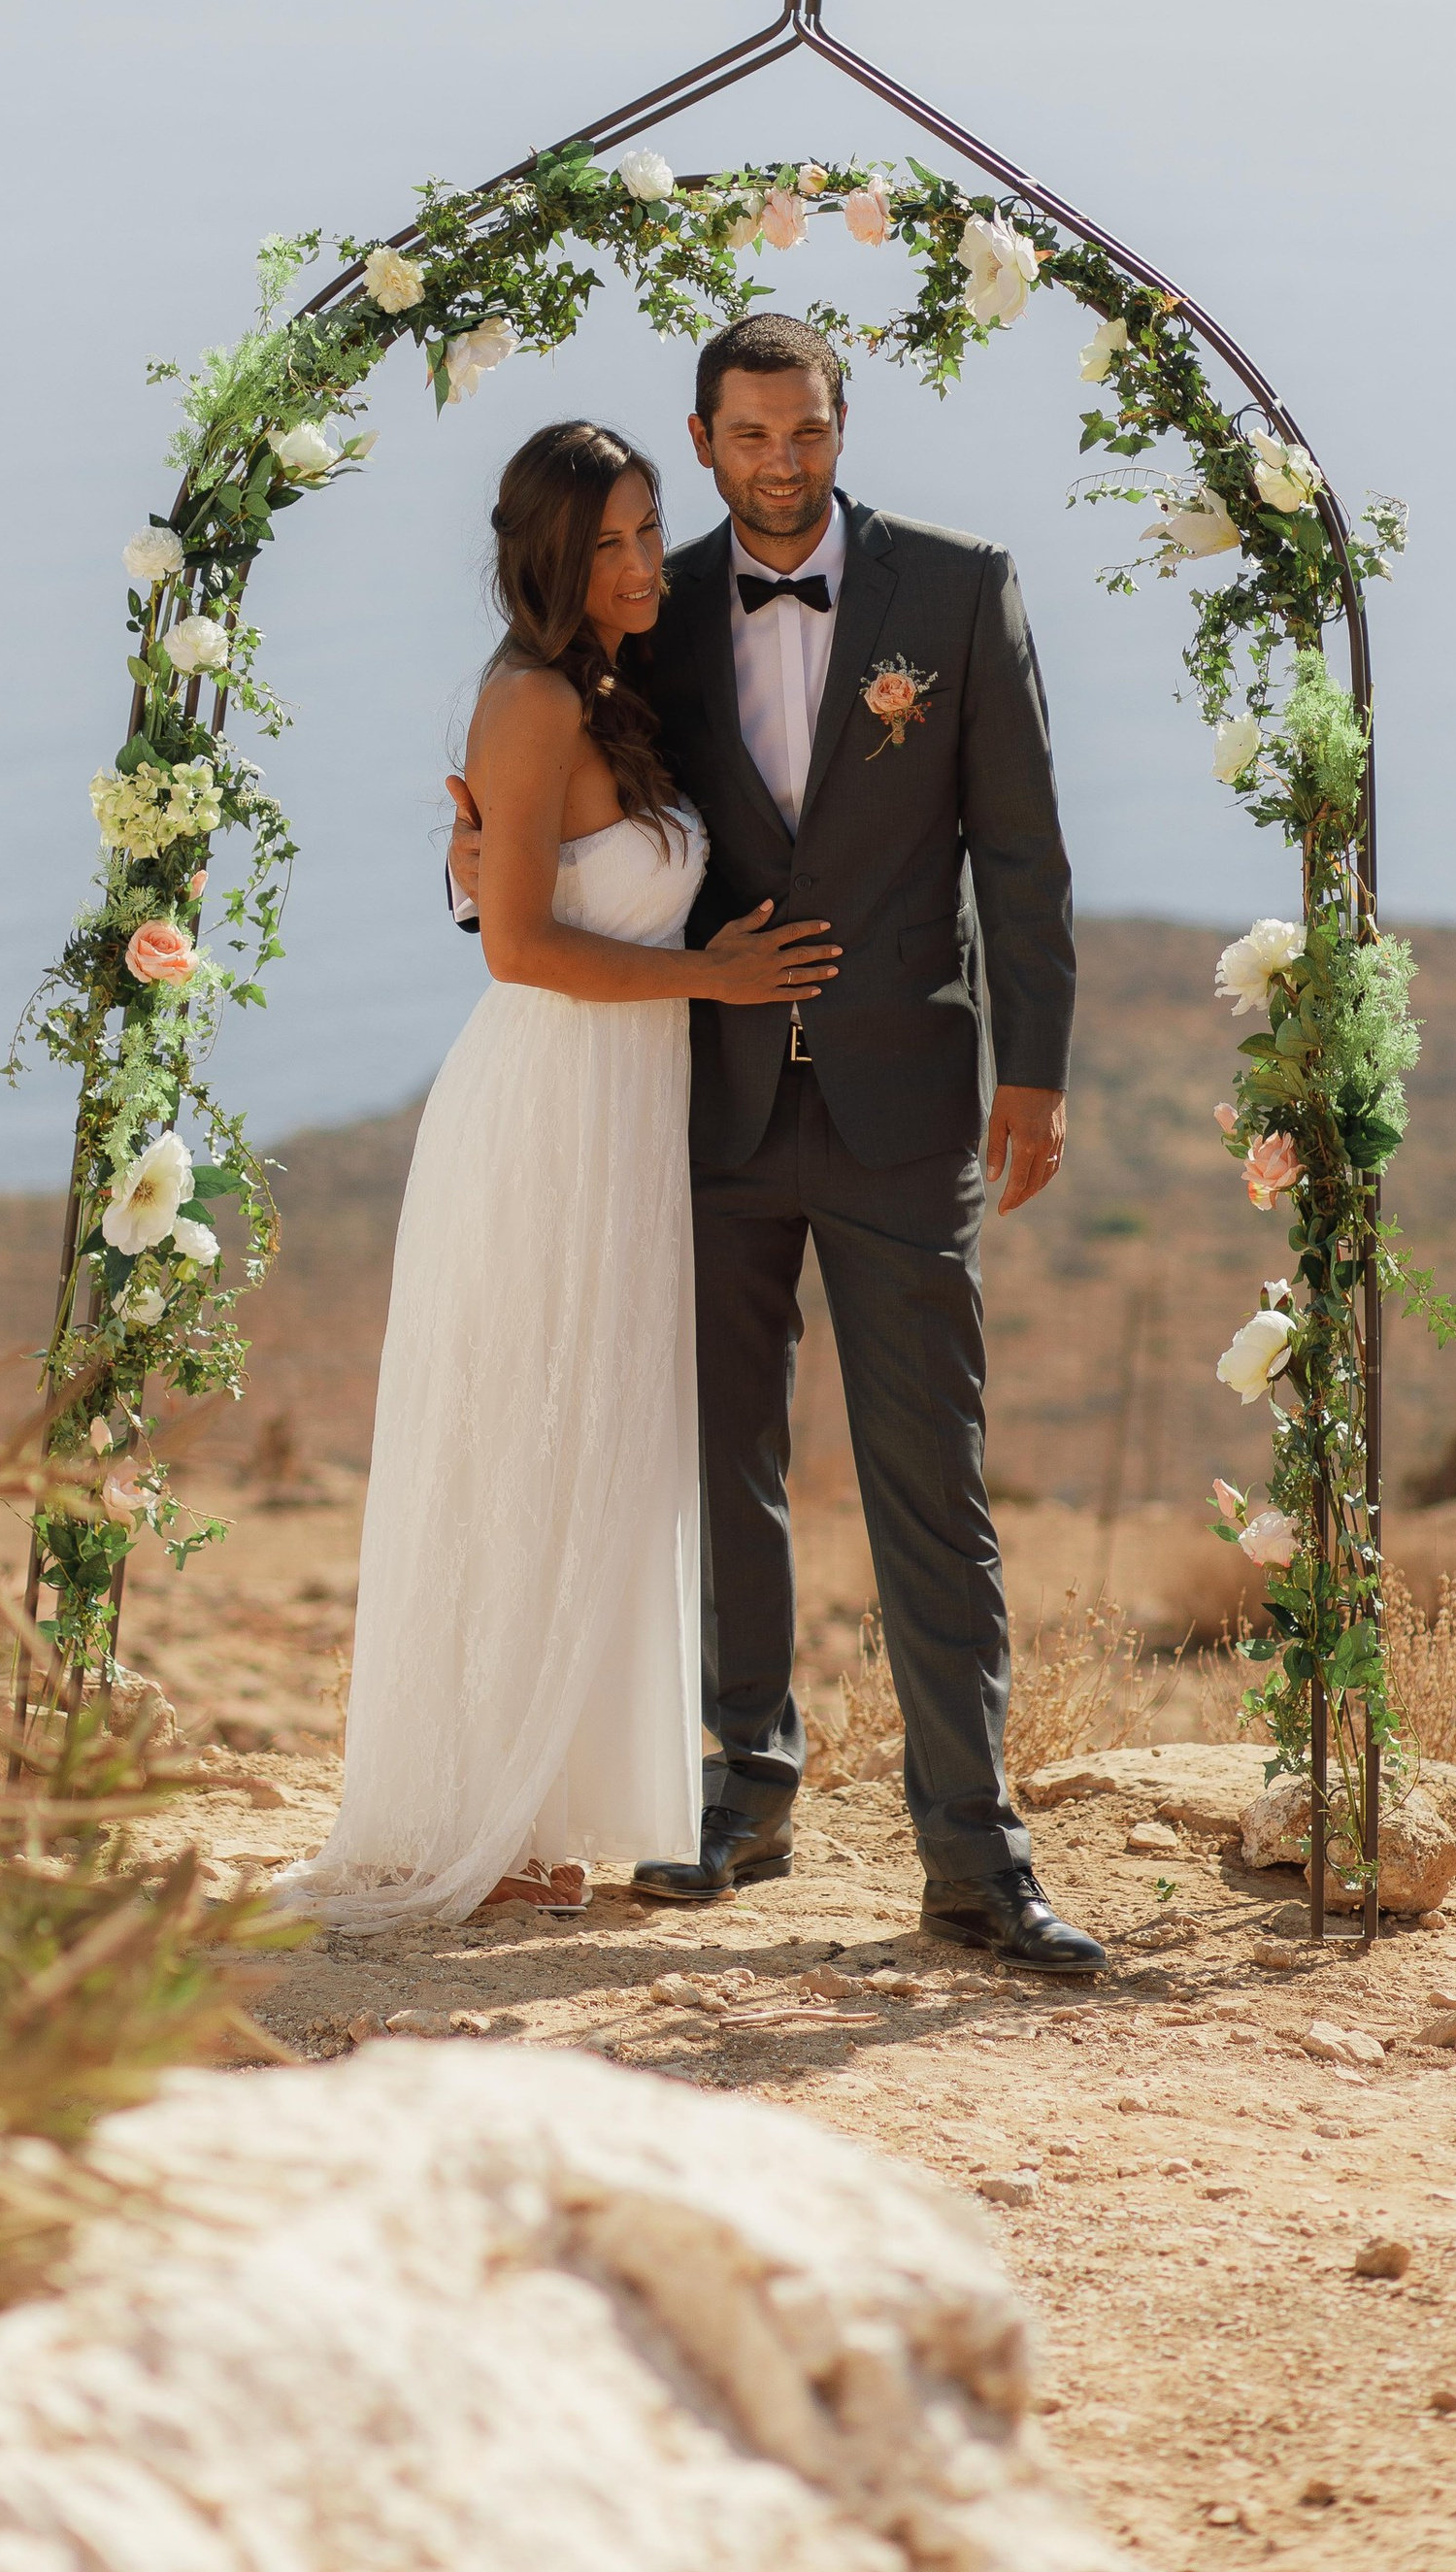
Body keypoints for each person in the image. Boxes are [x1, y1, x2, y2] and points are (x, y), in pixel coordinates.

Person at [454, 314, 1100, 1974]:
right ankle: (744, 1791)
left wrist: (1034, 1071)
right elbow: (556, 811)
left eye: (806, 432)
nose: (781, 464)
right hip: (708, 1111)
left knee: (930, 1484)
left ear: (839, 423)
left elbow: (1020, 856)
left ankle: (975, 1853)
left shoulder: (957, 590)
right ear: (707, 436)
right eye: (748, 438)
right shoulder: (646, 611)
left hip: (903, 1115)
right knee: (723, 1464)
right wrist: (469, 850)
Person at [278, 421, 835, 1932]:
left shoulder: (606, 686)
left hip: (630, 1107)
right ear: (545, 555)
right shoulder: (525, 701)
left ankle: (556, 1804)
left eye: (653, 532)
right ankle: (488, 1817)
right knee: (522, 1442)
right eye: (611, 544)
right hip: (547, 1110)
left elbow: (534, 886)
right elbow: (519, 946)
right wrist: (714, 983)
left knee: (597, 1446)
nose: (646, 564)